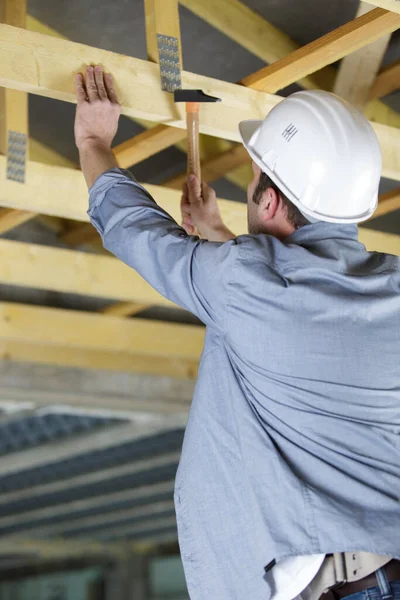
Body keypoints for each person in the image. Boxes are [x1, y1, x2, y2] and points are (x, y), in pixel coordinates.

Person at [74, 66, 400, 600]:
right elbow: (281, 303)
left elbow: (139, 233)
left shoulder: (245, 284)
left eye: (252, 185)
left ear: (270, 204)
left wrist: (93, 142)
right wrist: (223, 240)